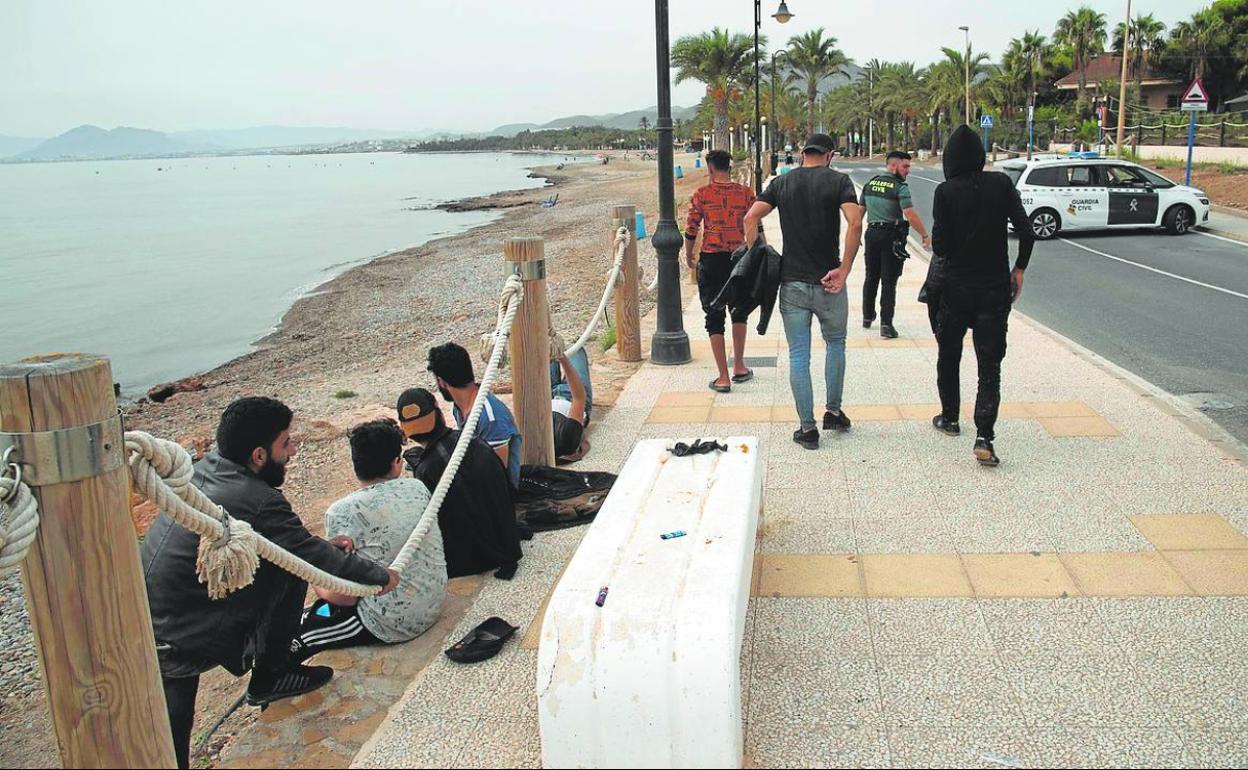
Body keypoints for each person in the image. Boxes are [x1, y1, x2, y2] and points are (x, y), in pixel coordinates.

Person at [142, 397, 398, 769]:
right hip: (185, 632)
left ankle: (272, 674)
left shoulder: (206, 468)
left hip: (157, 612)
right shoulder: (259, 499)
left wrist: (323, 547)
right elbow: (307, 555)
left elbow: (287, 543)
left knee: (285, 560)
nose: (293, 451)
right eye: (286, 443)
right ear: (259, 455)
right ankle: (271, 675)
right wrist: (381, 577)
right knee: (173, 727)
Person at [290, 420, 447, 663]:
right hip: (435, 601)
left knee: (303, 631)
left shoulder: (341, 512)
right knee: (316, 611)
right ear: (397, 462)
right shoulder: (417, 487)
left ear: (356, 465)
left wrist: (314, 579)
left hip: (394, 622)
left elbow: (344, 596)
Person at [743, 133, 864, 450]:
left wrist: (758, 254)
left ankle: (807, 429)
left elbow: (750, 216)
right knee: (835, 344)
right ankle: (833, 412)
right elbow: (854, 223)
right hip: (829, 282)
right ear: (830, 155)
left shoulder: (782, 183)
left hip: (792, 283)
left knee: (799, 355)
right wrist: (845, 269)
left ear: (802, 153)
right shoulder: (839, 181)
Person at [927, 125, 1034, 466]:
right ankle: (984, 436)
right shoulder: (1001, 183)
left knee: (949, 353)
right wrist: (1019, 269)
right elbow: (1027, 232)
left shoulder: (945, 192)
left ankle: (950, 417)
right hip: (994, 289)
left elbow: (940, 246)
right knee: (989, 365)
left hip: (955, 289)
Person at [396, 388, 523, 579]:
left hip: (467, 563)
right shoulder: (474, 442)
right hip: (506, 545)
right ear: (439, 414)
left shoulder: (425, 470)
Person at [683, 148, 757, 392]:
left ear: (711, 168)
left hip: (712, 259)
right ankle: (739, 366)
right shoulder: (746, 193)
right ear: (729, 167)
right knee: (739, 311)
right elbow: (755, 225)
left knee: (714, 316)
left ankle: (723, 377)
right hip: (739, 259)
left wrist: (688, 254)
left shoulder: (702, 194)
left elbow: (691, 228)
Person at [427, 342, 521, 488]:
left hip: (497, 492)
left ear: (442, 382)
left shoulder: (491, 417)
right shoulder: (459, 407)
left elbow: (497, 475)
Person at [861, 151, 931, 339]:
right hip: (890, 236)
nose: (908, 171)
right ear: (893, 166)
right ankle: (886, 324)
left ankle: (867, 316)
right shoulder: (900, 188)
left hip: (871, 234)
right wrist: (924, 235)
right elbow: (910, 214)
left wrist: (856, 234)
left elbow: (859, 212)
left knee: (871, 276)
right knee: (889, 280)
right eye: (905, 166)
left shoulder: (870, 184)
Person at [549, 351, 591, 461]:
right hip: (570, 396)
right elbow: (579, 397)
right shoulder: (568, 439)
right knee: (575, 351)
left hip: (547, 395)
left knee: (544, 351)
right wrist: (562, 357)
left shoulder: (533, 436)